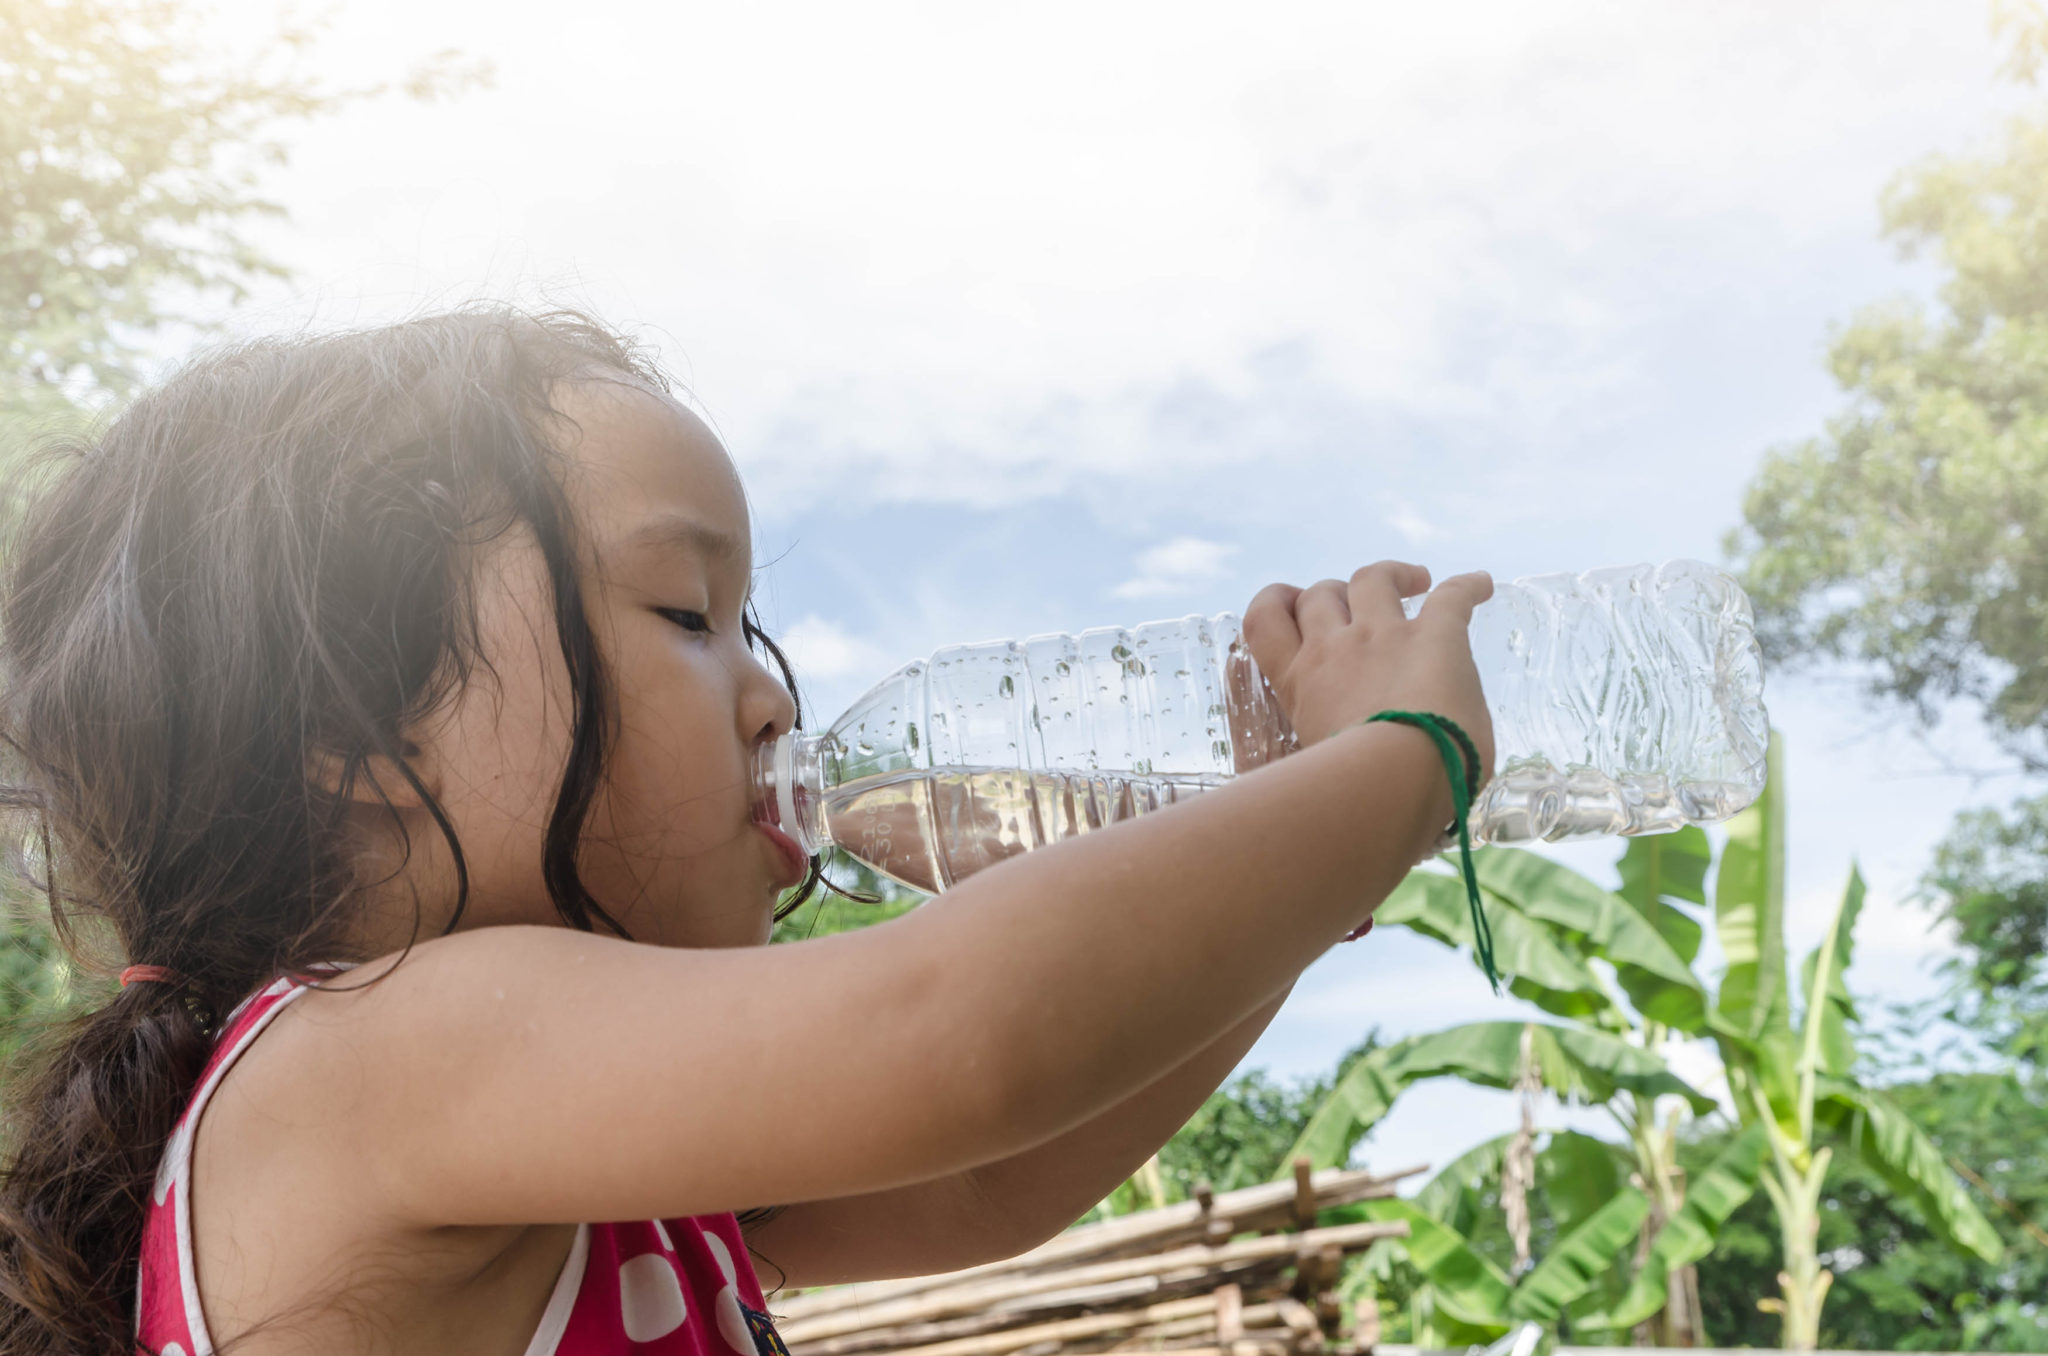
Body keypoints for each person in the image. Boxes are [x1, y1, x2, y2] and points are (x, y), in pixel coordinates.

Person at [0, 308, 1493, 1355]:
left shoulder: (564, 1142)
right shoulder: (362, 1059)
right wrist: (1395, 766)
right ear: (359, 727)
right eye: (681, 613)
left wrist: (1307, 878)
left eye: (750, 625)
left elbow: (989, 1178)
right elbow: (954, 1036)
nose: (775, 695)